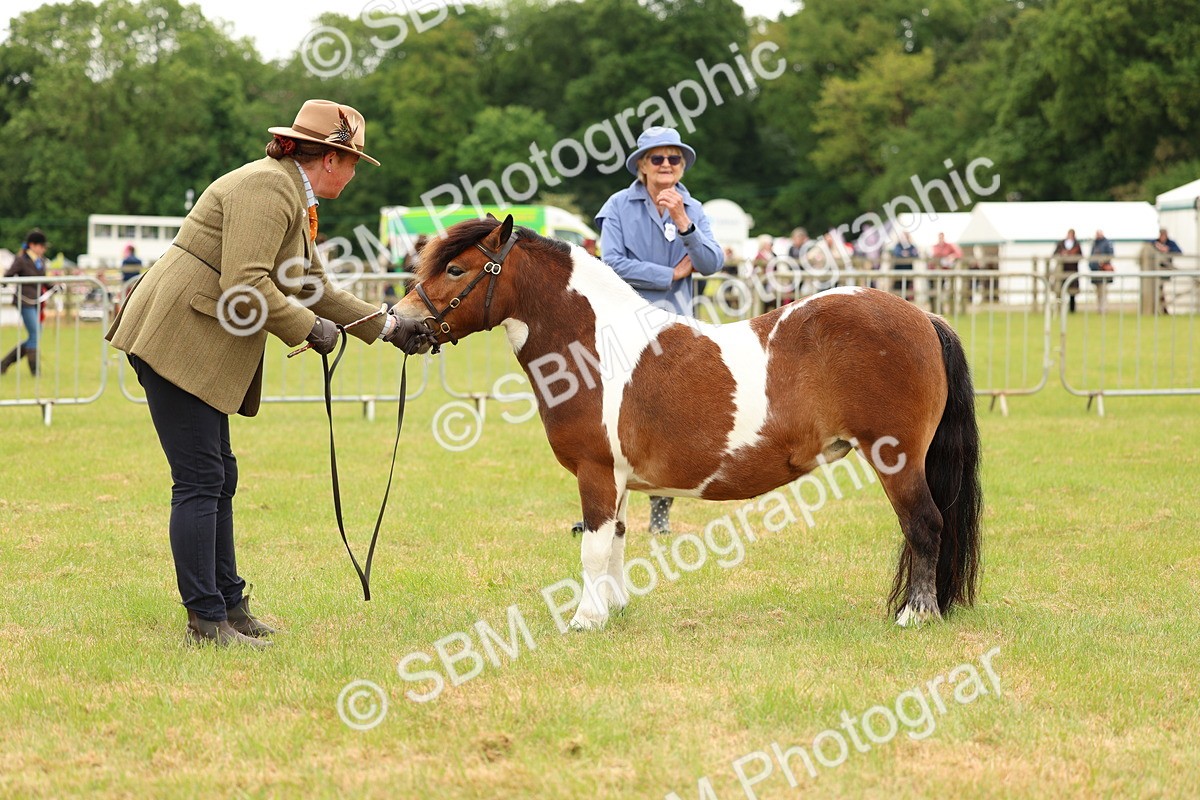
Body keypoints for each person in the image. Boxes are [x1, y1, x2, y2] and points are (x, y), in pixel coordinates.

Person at [106, 99, 433, 648]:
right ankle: (206, 622)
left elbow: (313, 287)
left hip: (194, 338)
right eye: (354, 162)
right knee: (201, 480)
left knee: (218, 477)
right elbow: (246, 282)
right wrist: (310, 329)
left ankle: (228, 607)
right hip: (175, 338)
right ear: (331, 158)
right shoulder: (267, 189)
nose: (354, 174)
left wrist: (388, 325)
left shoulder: (289, 192)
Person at [594, 126, 722, 535]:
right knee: (605, 419)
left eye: (675, 159)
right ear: (642, 166)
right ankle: (600, 509)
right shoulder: (617, 205)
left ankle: (660, 514)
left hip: (675, 330)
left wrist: (685, 222)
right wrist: (668, 273)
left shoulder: (693, 207)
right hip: (619, 323)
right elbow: (610, 261)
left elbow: (712, 262)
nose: (667, 166)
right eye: (658, 159)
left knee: (665, 420)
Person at [2, 229, 48, 376]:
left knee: (34, 336)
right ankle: (35, 371)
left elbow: (44, 280)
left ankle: (4, 363)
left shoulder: (40, 261)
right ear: (32, 245)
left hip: (36, 302)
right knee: (34, 334)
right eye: (41, 246)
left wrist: (56, 286)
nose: (43, 249)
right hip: (24, 301)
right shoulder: (21, 259)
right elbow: (9, 275)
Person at [1150, 228, 1182, 314]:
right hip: (1156, 270)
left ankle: (1165, 308)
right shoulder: (1154, 242)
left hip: (1167, 269)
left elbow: (1179, 251)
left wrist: (1167, 249)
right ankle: (1161, 309)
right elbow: (1147, 244)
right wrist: (1157, 246)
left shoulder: (1170, 243)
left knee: (1165, 289)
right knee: (1158, 290)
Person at [929, 232, 962, 314]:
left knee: (942, 291)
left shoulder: (949, 246)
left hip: (944, 272)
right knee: (933, 291)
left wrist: (952, 256)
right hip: (934, 272)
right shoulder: (935, 246)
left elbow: (959, 253)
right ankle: (935, 309)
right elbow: (932, 256)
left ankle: (941, 310)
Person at [1052, 228, 1083, 313]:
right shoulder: (1061, 244)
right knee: (1060, 290)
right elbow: (1055, 254)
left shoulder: (1077, 244)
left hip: (1072, 270)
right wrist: (1062, 255)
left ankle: (1072, 310)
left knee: (1072, 291)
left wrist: (1071, 256)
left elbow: (1080, 256)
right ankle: (1059, 308)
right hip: (1062, 270)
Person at [1087, 229, 1114, 314]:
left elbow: (1110, 255)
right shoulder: (1094, 244)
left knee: (1103, 290)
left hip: (1103, 271)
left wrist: (1103, 263)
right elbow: (1091, 257)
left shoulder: (1107, 243)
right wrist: (1092, 265)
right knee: (1098, 291)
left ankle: (1104, 308)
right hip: (1095, 271)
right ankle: (1099, 308)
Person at [891, 232, 919, 302]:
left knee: (908, 288)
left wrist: (907, 253)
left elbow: (915, 254)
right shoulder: (898, 245)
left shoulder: (911, 246)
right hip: (898, 270)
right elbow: (896, 252)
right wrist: (903, 253)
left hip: (909, 270)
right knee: (897, 288)